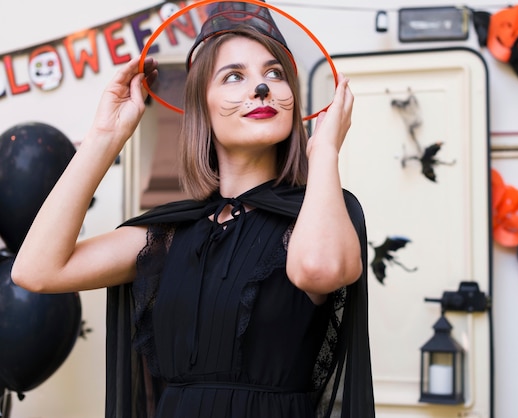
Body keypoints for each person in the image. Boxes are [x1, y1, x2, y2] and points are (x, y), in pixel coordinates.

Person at [12, 2, 375, 417]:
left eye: (274, 74)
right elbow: (35, 270)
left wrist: (325, 151)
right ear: (200, 106)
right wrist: (104, 137)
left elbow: (319, 270)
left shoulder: (324, 212)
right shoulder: (171, 234)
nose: (262, 89)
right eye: (234, 76)